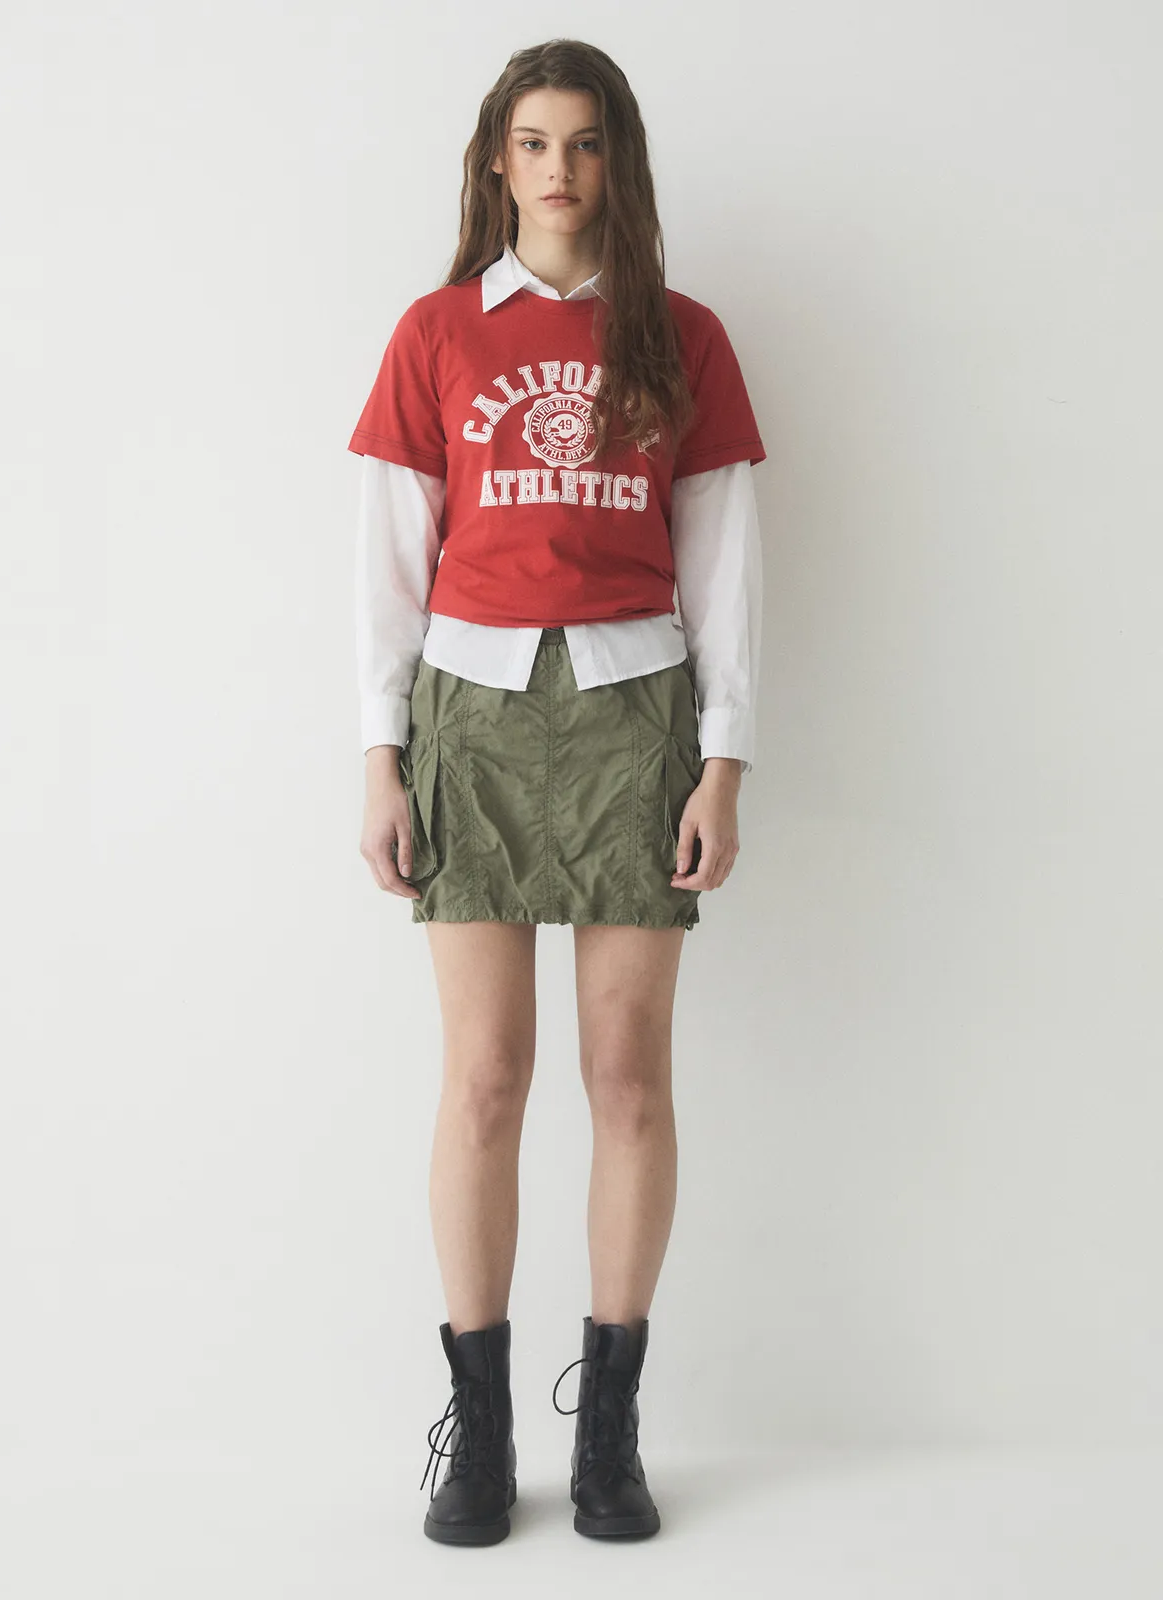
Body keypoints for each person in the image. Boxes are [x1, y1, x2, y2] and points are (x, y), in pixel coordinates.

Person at [346, 37, 765, 1546]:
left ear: (617, 162)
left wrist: (724, 759)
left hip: (634, 717)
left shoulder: (684, 337)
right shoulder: (438, 332)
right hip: (468, 716)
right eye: (533, 143)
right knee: (484, 1079)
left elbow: (726, 565)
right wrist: (382, 755)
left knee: (629, 1077)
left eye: (584, 143)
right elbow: (389, 563)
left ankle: (610, 1435)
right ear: (496, 163)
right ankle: (478, 1431)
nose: (559, 170)